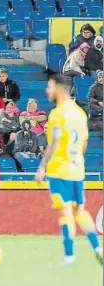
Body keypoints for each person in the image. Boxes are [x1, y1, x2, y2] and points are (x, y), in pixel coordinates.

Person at [35, 74, 103, 265]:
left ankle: (69, 256)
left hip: (59, 170)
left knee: (65, 212)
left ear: (59, 88)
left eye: (50, 87)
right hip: (77, 169)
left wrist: (42, 167)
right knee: (79, 211)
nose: (47, 91)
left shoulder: (57, 114)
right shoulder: (80, 114)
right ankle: (98, 248)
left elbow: (54, 142)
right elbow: (85, 143)